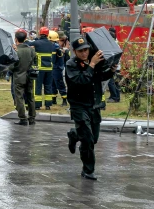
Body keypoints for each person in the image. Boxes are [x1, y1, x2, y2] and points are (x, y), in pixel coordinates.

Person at [65, 36, 114, 181]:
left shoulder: (94, 61)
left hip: (94, 104)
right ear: (74, 51)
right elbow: (80, 81)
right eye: (80, 51)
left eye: (86, 50)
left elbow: (99, 77)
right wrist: (92, 65)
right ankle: (88, 170)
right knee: (87, 139)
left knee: (94, 139)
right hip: (79, 105)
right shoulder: (71, 65)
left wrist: (111, 70)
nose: (84, 53)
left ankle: (74, 134)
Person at [9, 29, 36, 125]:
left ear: (16, 39)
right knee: (30, 97)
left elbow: (12, 66)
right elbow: (34, 61)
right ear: (25, 38)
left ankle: (23, 118)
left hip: (18, 77)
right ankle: (32, 118)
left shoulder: (16, 52)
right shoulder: (32, 50)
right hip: (29, 76)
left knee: (19, 98)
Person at [28, 27, 55, 110]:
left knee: (37, 86)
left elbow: (27, 44)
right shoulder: (51, 44)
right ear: (47, 34)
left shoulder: (36, 43)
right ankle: (48, 104)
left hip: (38, 68)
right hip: (49, 68)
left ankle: (37, 104)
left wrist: (33, 39)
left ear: (40, 33)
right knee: (48, 86)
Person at [50, 30, 67, 106]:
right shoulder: (56, 46)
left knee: (59, 83)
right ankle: (54, 99)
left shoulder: (56, 47)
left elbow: (53, 59)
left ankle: (64, 100)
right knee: (53, 84)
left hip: (56, 67)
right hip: (54, 67)